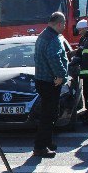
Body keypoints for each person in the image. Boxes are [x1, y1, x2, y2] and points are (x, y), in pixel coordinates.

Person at [33, 11, 69, 158]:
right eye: (64, 24)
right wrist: (61, 75)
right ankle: (40, 147)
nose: (65, 27)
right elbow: (54, 58)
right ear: (59, 23)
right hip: (50, 81)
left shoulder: (43, 35)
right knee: (48, 116)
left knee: (50, 113)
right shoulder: (53, 38)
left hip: (43, 80)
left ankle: (47, 141)